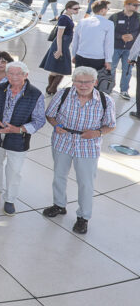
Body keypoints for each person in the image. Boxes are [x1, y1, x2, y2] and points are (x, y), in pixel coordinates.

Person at [42, 67, 116, 234]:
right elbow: (50, 115)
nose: (83, 85)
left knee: (86, 183)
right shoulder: (63, 94)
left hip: (88, 146)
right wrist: (56, 125)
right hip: (63, 141)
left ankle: (83, 217)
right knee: (59, 176)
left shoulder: (106, 100)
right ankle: (59, 205)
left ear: (95, 82)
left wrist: (96, 133)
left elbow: (110, 125)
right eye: (79, 81)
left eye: (88, 81)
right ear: (74, 82)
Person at [0, 62, 46, 216]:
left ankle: (10, 199)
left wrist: (17, 129)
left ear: (26, 75)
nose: (14, 77)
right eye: (10, 73)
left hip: (18, 138)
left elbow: (39, 121)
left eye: (18, 74)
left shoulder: (35, 94)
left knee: (14, 171)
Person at [40, 1, 80, 95]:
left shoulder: (68, 16)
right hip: (61, 45)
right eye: (75, 8)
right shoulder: (63, 18)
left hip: (64, 45)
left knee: (56, 69)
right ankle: (52, 89)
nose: (77, 10)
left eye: (78, 8)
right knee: (59, 69)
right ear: (68, 8)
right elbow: (59, 35)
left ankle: (50, 88)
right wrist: (59, 49)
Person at [108, 0, 140, 100]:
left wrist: (133, 36)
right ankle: (109, 87)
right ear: (126, 5)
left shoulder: (138, 18)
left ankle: (124, 90)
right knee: (111, 68)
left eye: (138, 5)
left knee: (127, 70)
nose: (137, 7)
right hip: (115, 47)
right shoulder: (115, 17)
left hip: (130, 49)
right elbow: (108, 31)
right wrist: (120, 36)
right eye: (135, 5)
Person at [72, 0, 114, 71]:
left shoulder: (82, 21)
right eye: (107, 9)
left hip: (81, 55)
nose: (107, 11)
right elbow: (108, 44)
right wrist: (108, 60)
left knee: (79, 79)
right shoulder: (109, 24)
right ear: (102, 10)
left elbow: (75, 40)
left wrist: (74, 54)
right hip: (98, 58)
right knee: (93, 80)